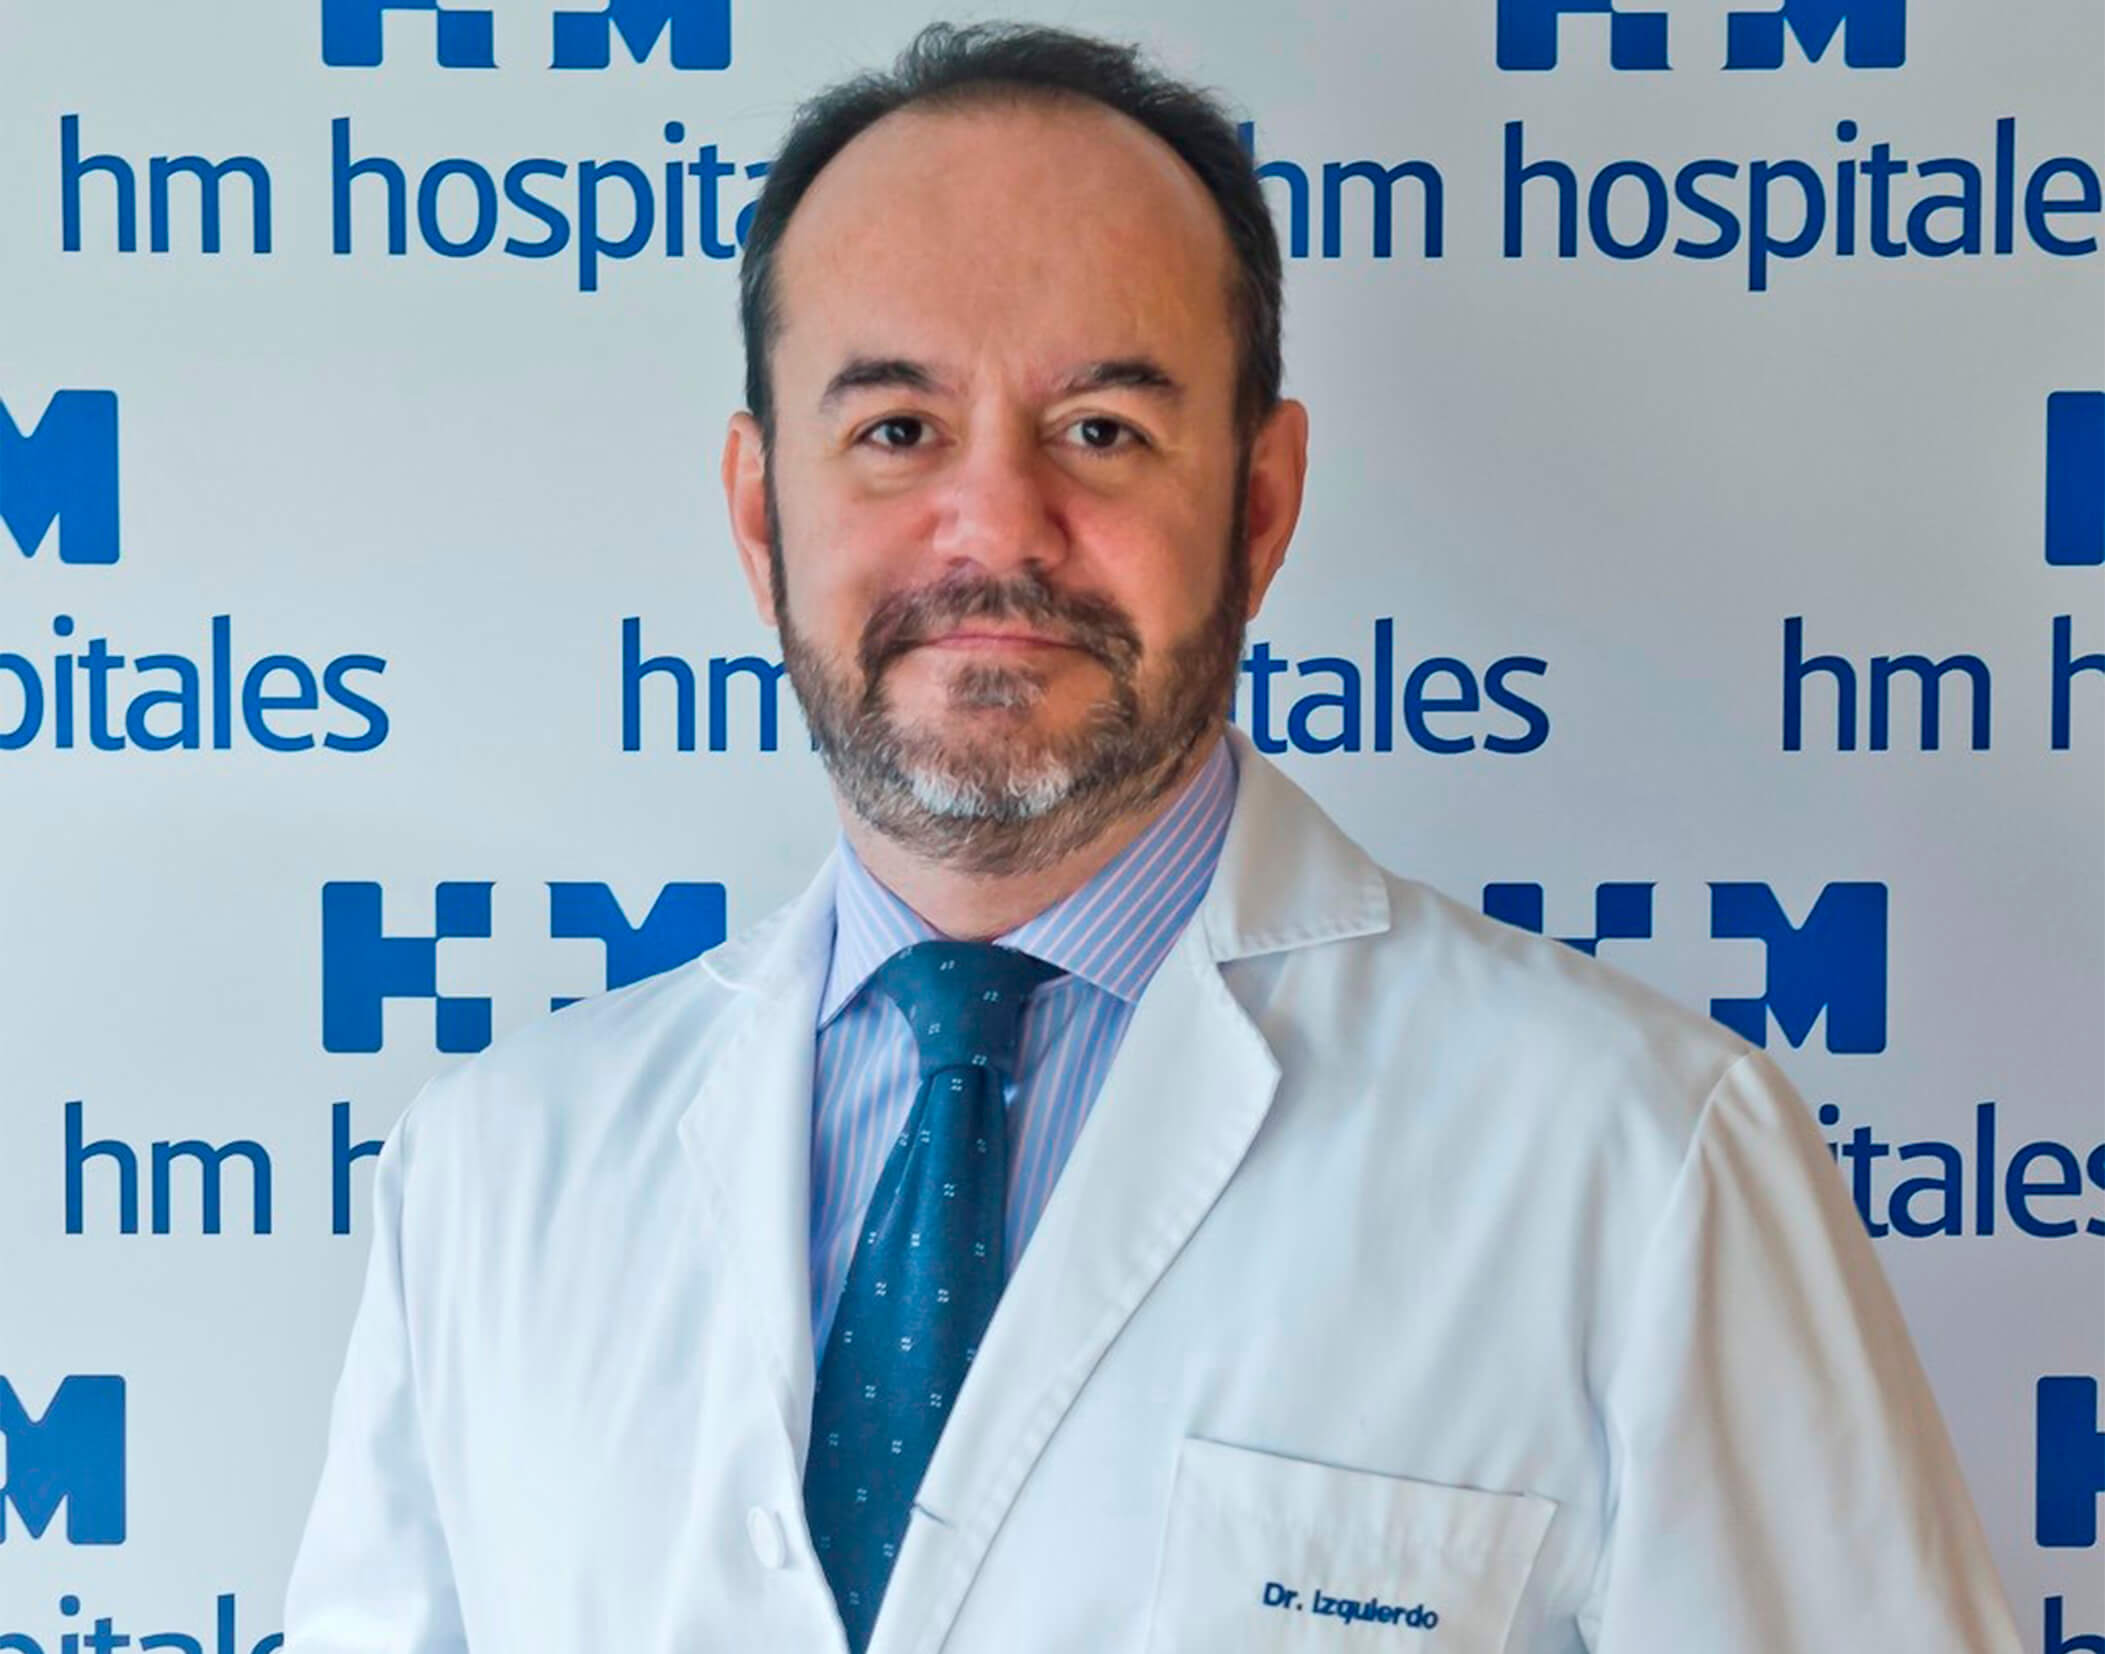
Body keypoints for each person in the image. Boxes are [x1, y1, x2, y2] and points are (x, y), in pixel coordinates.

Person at [283, 21, 2023, 1654]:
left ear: (1257, 505)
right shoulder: (491, 1178)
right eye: (895, 430)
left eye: (1100, 430)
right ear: (761, 513)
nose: (994, 526)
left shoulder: (1632, 1161)